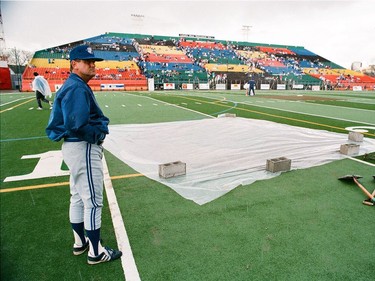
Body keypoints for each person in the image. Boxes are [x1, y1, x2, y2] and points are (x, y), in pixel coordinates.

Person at [45, 45, 122, 265]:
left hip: (73, 147)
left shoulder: (74, 85)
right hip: (83, 146)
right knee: (93, 202)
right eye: (86, 61)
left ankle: (81, 243)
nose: (92, 64)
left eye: (93, 61)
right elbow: (77, 124)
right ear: (74, 64)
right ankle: (96, 252)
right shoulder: (77, 87)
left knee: (78, 197)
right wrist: (97, 135)